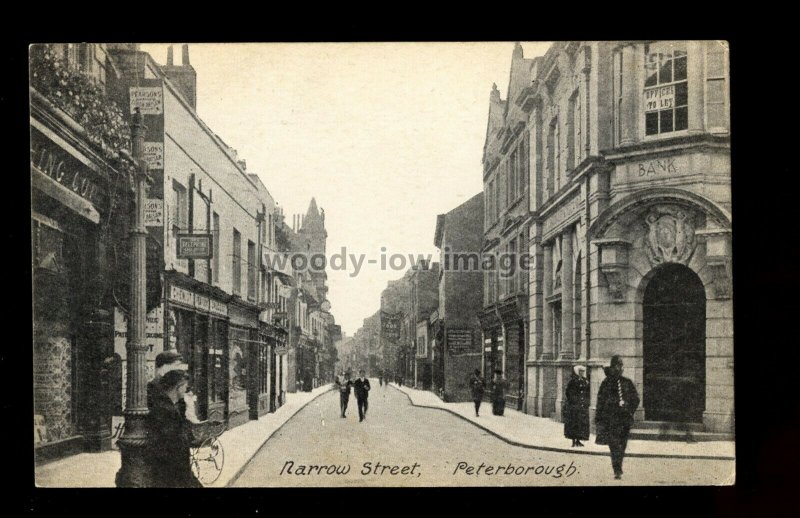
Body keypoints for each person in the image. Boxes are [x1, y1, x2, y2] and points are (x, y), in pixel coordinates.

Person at [145, 369, 202, 488]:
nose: (186, 390)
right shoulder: (164, 409)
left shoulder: (174, 405)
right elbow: (171, 440)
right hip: (171, 470)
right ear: (178, 386)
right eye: (185, 386)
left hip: (178, 467)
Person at [595, 355, 640, 480]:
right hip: (611, 420)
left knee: (622, 444)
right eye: (618, 366)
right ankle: (617, 469)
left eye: (621, 366)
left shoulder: (627, 382)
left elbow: (636, 399)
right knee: (614, 444)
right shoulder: (606, 383)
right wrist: (599, 419)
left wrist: (628, 408)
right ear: (613, 367)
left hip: (624, 419)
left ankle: (618, 465)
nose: (620, 368)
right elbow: (600, 401)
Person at [147, 350, 188, 415]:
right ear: (164, 366)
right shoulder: (153, 387)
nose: (179, 370)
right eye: (176, 366)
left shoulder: (174, 385)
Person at [564, 365, 590, 447]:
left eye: (583, 372)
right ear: (577, 372)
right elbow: (568, 392)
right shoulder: (573, 381)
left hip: (582, 406)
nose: (582, 373)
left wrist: (586, 401)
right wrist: (574, 401)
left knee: (581, 424)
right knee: (574, 423)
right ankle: (573, 440)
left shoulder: (585, 381)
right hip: (574, 406)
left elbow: (587, 392)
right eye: (580, 372)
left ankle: (579, 440)